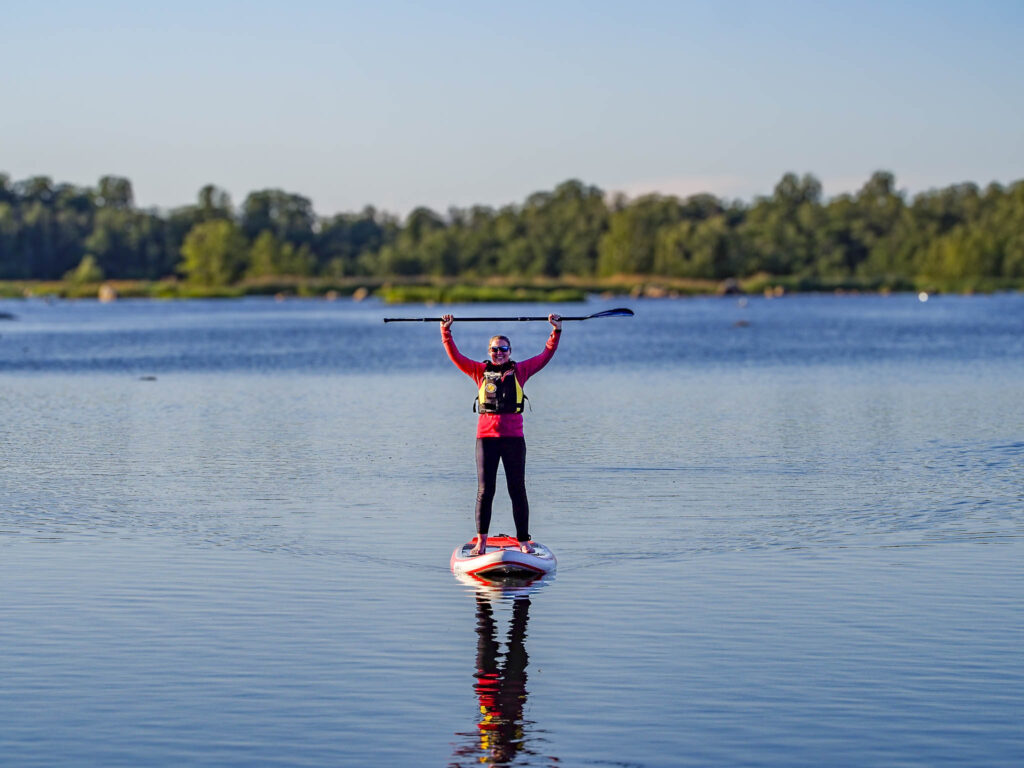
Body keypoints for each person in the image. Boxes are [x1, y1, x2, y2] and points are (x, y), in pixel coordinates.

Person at [441, 312, 562, 555]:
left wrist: (556, 331)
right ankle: (481, 542)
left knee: (517, 490)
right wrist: (446, 331)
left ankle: (524, 542)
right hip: (486, 441)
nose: (499, 353)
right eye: (495, 349)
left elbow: (545, 356)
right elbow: (456, 357)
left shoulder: (521, 371)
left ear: (510, 351)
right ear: (489, 352)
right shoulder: (478, 372)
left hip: (513, 440)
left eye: (503, 349)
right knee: (485, 491)